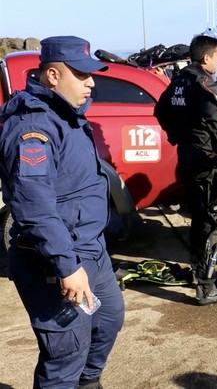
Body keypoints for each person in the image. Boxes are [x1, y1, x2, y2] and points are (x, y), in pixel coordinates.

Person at [0, 36, 125, 388]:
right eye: (82, 75)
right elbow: (34, 206)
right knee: (65, 353)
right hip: (54, 261)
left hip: (91, 250)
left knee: (109, 319)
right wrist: (67, 266)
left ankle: (87, 382)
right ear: (52, 75)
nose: (91, 83)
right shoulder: (32, 127)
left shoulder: (66, 114)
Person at [154, 33, 217, 305]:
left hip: (189, 158)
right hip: (209, 164)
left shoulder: (178, 81)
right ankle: (205, 286)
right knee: (212, 223)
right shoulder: (203, 83)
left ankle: (202, 274)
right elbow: (216, 120)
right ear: (206, 58)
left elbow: (161, 111)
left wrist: (178, 136)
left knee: (200, 219)